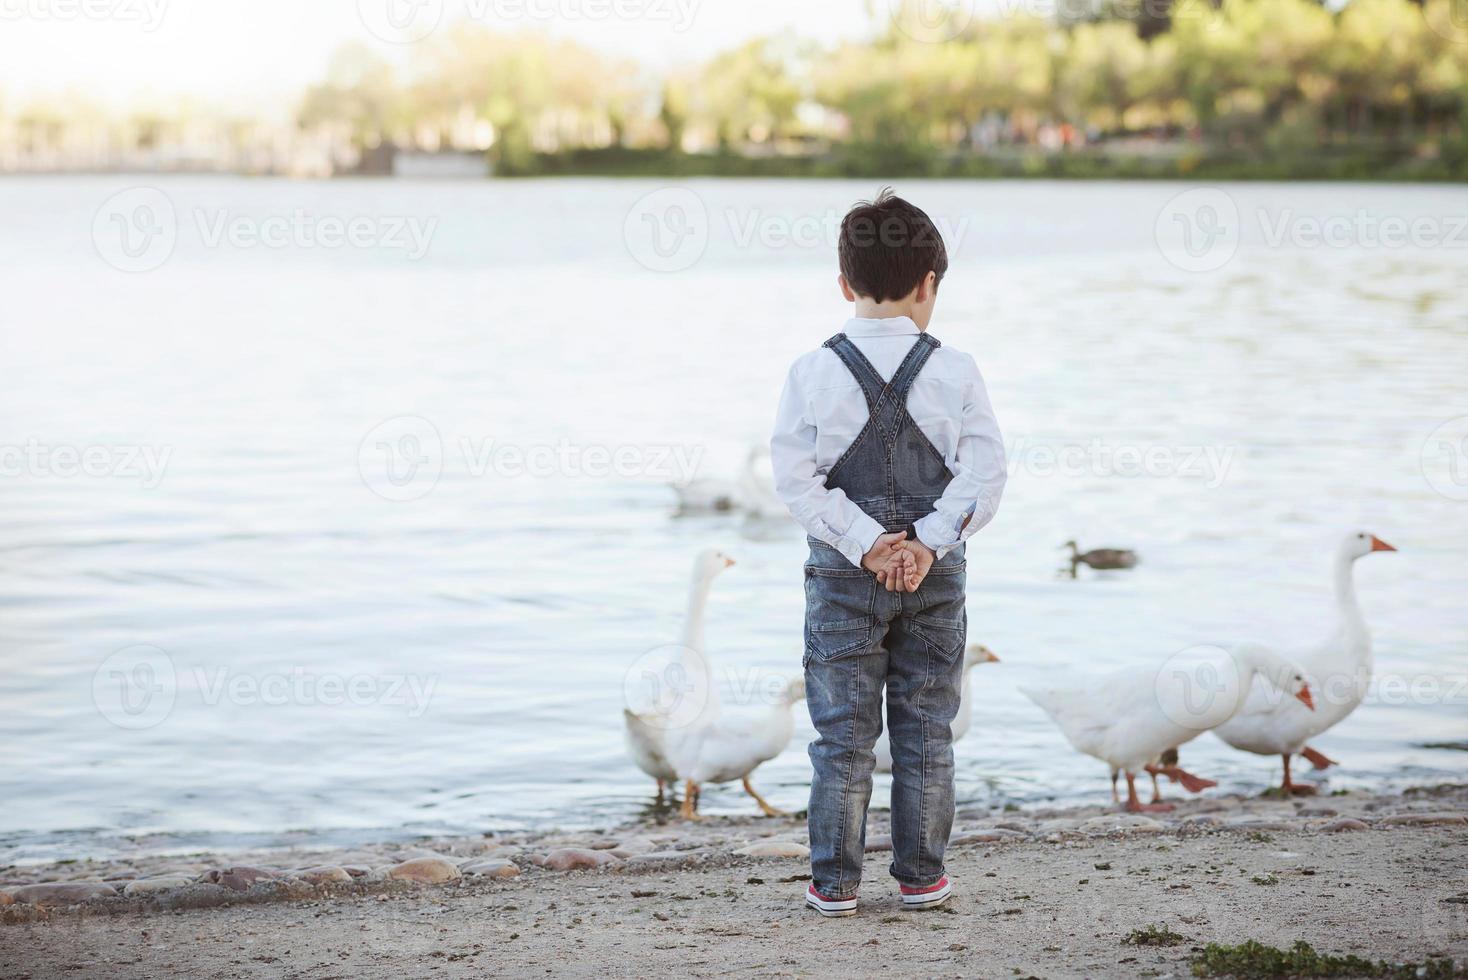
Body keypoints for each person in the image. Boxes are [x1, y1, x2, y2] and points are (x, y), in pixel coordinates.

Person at [770, 188, 1007, 917]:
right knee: (926, 727)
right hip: (935, 576)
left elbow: (793, 478)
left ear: (844, 283)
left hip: (844, 576)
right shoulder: (956, 367)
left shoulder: (811, 371)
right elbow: (985, 473)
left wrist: (867, 544)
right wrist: (928, 545)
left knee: (841, 734)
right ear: (930, 282)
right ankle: (920, 878)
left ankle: (835, 884)